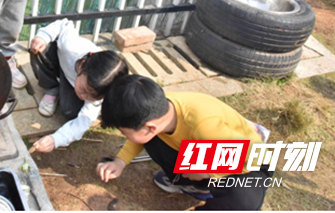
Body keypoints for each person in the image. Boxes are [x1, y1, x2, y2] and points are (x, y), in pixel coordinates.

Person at [96, 75, 273, 210]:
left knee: (243, 201)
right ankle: (190, 183)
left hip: (250, 161)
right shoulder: (157, 111)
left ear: (150, 127)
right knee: (152, 141)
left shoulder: (205, 127)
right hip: (201, 151)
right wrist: (120, 161)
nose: (124, 136)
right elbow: (141, 135)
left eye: (124, 132)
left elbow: (257, 156)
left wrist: (208, 173)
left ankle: (204, 187)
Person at [28, 19, 128, 152]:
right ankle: (52, 89)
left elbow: (81, 124)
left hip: (73, 80)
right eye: (84, 90)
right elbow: (64, 24)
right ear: (82, 65)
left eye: (92, 97)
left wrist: (55, 139)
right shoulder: (72, 46)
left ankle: (68, 92)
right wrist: (43, 36)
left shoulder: (100, 91)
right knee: (40, 48)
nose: (83, 96)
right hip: (64, 65)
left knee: (70, 112)